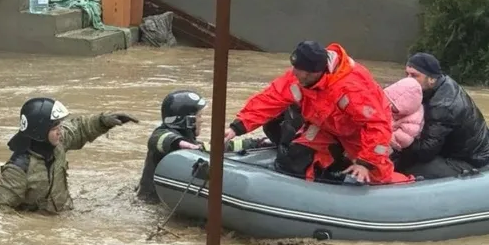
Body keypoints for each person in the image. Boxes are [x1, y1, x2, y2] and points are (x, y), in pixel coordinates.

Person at [222, 40, 414, 185]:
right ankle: (320, 185)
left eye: (298, 70)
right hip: (325, 128)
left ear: (314, 72)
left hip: (358, 135)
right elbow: (271, 98)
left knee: (377, 178)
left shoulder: (351, 88)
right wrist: (237, 127)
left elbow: (377, 125)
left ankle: (409, 184)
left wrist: (366, 163)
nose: (293, 73)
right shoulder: (301, 76)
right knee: (296, 157)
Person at [0, 97, 139, 213]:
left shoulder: (58, 143)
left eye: (60, 125)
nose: (60, 131)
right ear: (40, 131)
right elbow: (0, 211)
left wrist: (103, 121)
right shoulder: (18, 169)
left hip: (63, 214)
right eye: (55, 127)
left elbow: (80, 128)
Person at [136, 89, 273, 203]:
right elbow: (157, 139)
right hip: (151, 202)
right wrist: (179, 143)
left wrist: (257, 143)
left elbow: (221, 147)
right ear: (188, 121)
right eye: (199, 116)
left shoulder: (192, 143)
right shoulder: (163, 134)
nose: (201, 120)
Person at [393, 52, 489, 179]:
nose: (408, 80)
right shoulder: (436, 85)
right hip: (454, 148)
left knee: (405, 168)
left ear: (431, 79)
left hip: (472, 161)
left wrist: (397, 142)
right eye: (407, 75)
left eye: (414, 75)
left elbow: (427, 150)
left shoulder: (443, 105)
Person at [383, 77, 424, 154]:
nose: (390, 105)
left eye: (394, 105)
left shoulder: (414, 119)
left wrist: (385, 135)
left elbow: (404, 139)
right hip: (382, 133)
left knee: (378, 151)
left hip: (391, 145)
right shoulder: (390, 104)